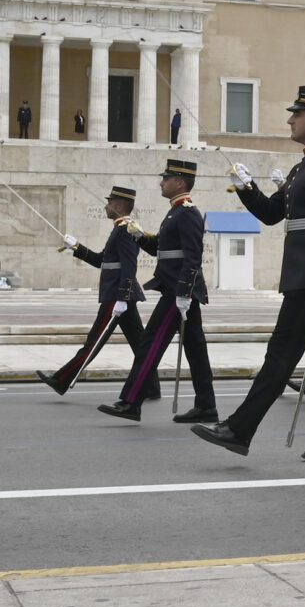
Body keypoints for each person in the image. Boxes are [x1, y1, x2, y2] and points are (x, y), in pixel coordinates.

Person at [196, 91, 305, 459]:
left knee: (281, 354)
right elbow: (273, 214)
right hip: (303, 275)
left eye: (296, 114)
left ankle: (240, 429)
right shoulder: (304, 165)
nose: (290, 120)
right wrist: (246, 188)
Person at [102, 157, 218, 423]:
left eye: (166, 178)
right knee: (196, 349)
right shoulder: (174, 211)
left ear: (179, 182)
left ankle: (131, 402)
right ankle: (206, 405)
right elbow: (160, 251)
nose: (161, 182)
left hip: (177, 293)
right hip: (176, 290)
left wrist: (184, 293)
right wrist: (140, 235)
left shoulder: (187, 212)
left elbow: (193, 256)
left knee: (150, 344)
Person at [40, 186, 149, 395]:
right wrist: (77, 247)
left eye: (109, 202)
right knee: (140, 345)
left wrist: (122, 297)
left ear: (118, 205)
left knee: (93, 342)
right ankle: (151, 386)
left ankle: (61, 379)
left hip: (117, 295)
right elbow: (101, 261)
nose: (106, 206)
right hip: (119, 295)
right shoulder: (120, 228)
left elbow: (129, 266)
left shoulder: (125, 229)